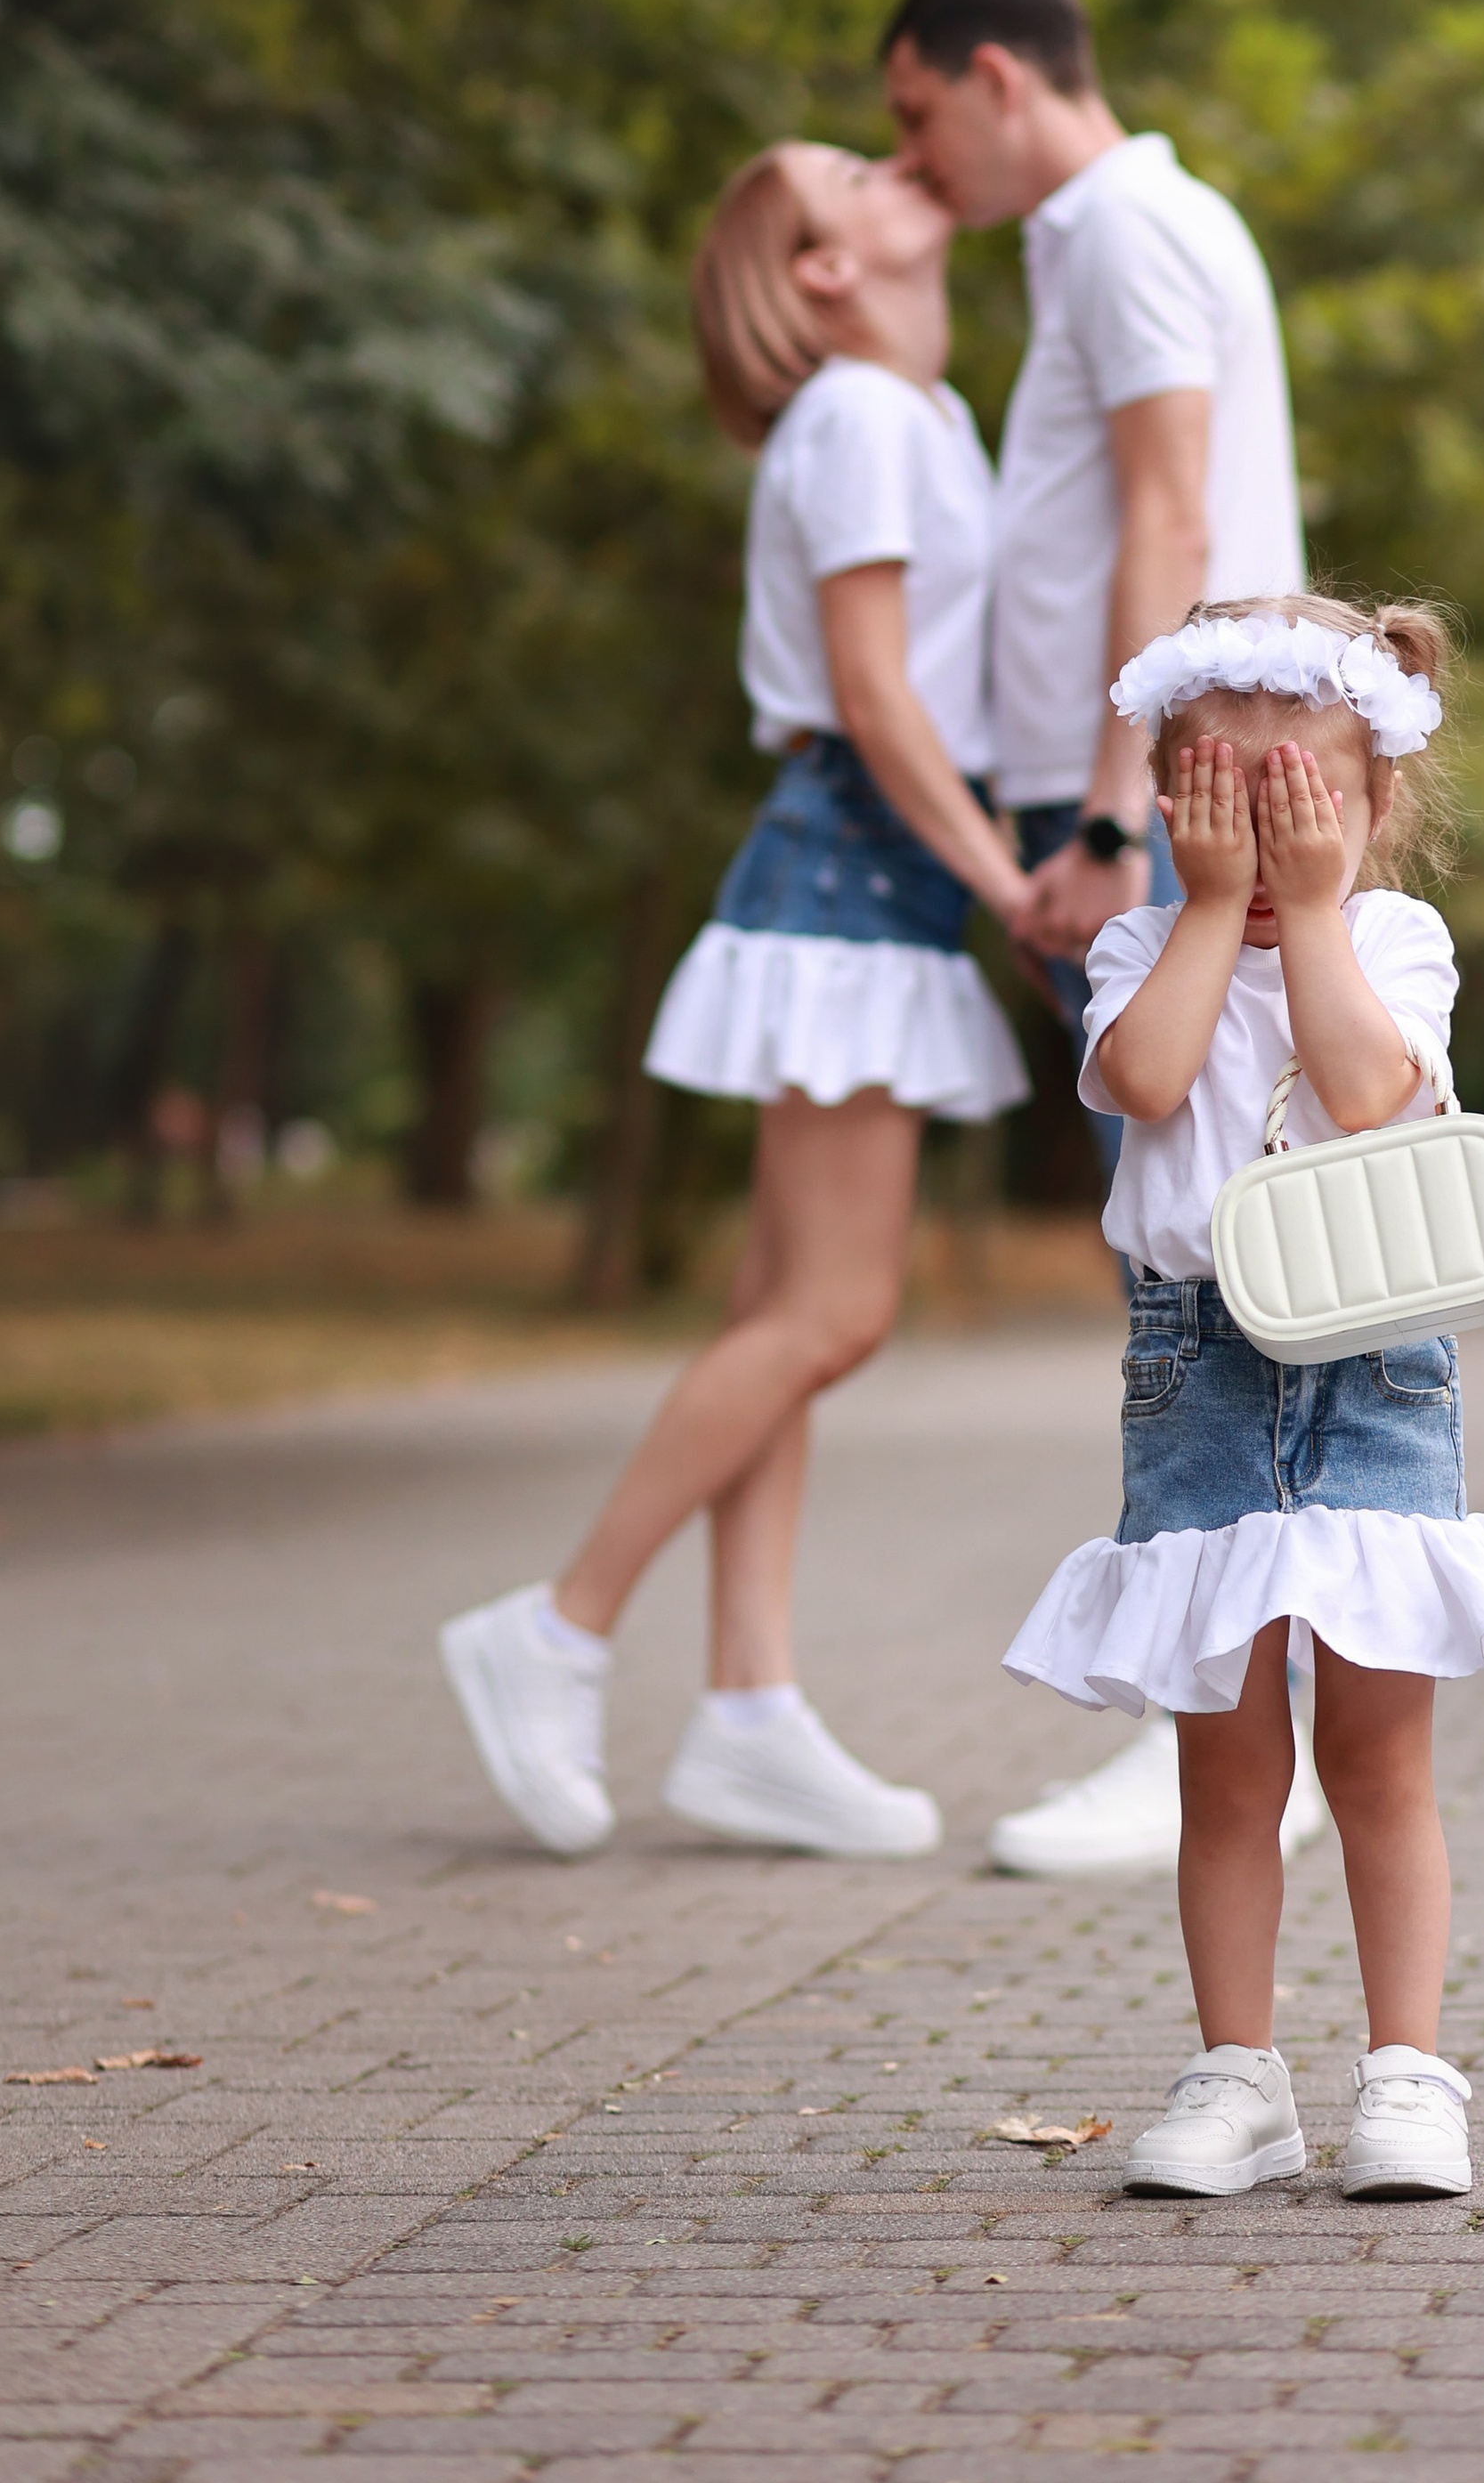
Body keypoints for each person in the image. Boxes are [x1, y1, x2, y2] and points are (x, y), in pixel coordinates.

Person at [439, 142, 1034, 1862]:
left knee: (785, 1309)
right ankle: (555, 1628)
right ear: (824, 268)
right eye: (849, 169)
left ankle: (751, 1711)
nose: (895, 156)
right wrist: (1003, 876)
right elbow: (869, 687)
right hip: (856, 864)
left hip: (874, 876)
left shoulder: (924, 415)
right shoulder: (854, 416)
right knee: (831, 1316)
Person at [1004, 594, 1484, 2196]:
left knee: (1379, 1759)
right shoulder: (1144, 942)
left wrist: (1316, 912)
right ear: (1169, 797)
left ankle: (1407, 2073)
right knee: (1226, 1760)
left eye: (1292, 803)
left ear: (1370, 802)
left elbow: (1366, 1090)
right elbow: (1143, 1085)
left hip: (1373, 1366)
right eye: (1219, 800)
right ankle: (1238, 2075)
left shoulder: (1397, 942)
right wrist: (1203, 909)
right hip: (1194, 1368)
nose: (1258, 842)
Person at [880, 0, 1320, 1875]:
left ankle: (1216, 1742)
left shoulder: (1123, 224)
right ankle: (1226, 1724)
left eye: (914, 117)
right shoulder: (1106, 233)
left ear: (996, 75)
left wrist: (1095, 810)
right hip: (1165, 804)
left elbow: (1164, 510)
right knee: (1179, 1255)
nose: (914, 171)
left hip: (1165, 808)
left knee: (1192, 1266)